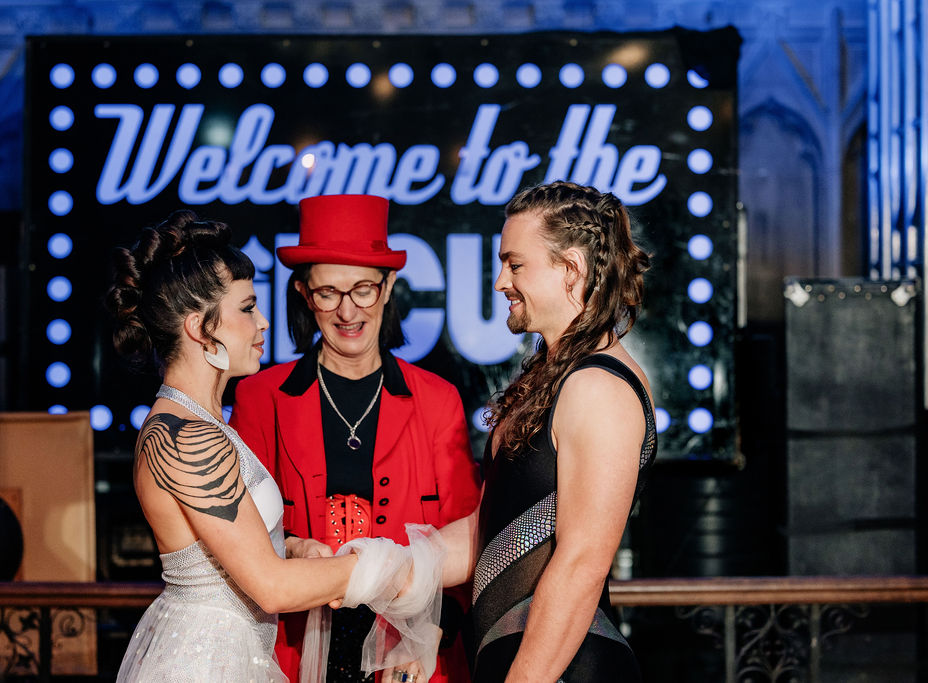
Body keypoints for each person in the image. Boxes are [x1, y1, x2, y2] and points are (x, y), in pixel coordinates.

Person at [105, 210, 438, 682]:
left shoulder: (201, 423)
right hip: (206, 662)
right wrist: (385, 566)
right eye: (246, 308)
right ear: (201, 329)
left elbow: (239, 555)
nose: (263, 322)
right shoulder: (183, 436)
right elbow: (271, 588)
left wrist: (296, 550)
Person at [229, 194, 481, 683]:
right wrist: (292, 548)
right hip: (294, 652)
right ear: (304, 294)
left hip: (411, 658)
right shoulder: (260, 398)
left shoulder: (438, 400)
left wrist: (427, 635)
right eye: (328, 292)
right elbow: (238, 539)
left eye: (363, 289)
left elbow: (467, 542)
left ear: (388, 289)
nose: (347, 311)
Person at [437, 181, 657, 681]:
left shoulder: (598, 386)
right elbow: (495, 528)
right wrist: (375, 567)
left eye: (515, 264)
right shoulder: (558, 375)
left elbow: (581, 565)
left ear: (571, 269)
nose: (500, 282)